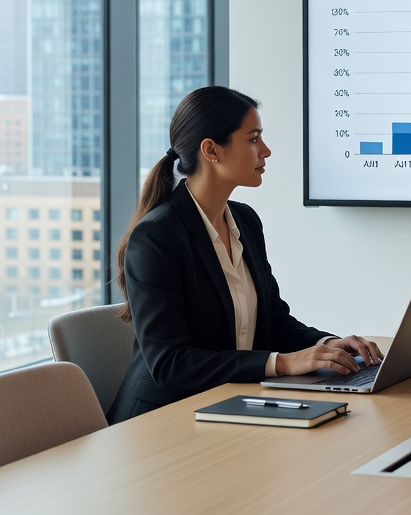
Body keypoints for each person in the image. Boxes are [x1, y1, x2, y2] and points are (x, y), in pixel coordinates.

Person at [106, 86, 382, 424]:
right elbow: (170, 363)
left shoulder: (245, 221)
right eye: (253, 139)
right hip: (162, 419)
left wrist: (329, 345)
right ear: (211, 150)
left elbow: (273, 321)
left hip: (230, 403)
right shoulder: (156, 237)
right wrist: (282, 362)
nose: (265, 151)